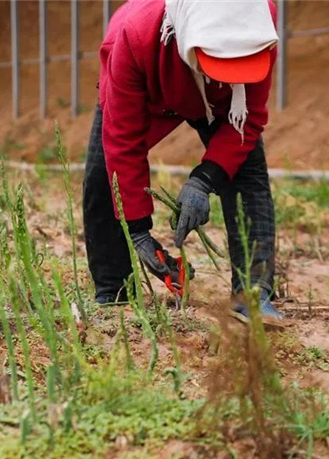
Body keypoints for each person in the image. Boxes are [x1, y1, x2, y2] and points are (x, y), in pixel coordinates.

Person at [83, 0, 282, 320]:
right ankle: (113, 291)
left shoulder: (258, 24)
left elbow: (249, 119)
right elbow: (123, 142)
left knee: (248, 171)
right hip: (152, 82)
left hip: (226, 100)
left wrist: (204, 179)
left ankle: (253, 293)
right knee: (103, 176)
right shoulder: (134, 36)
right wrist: (137, 230)